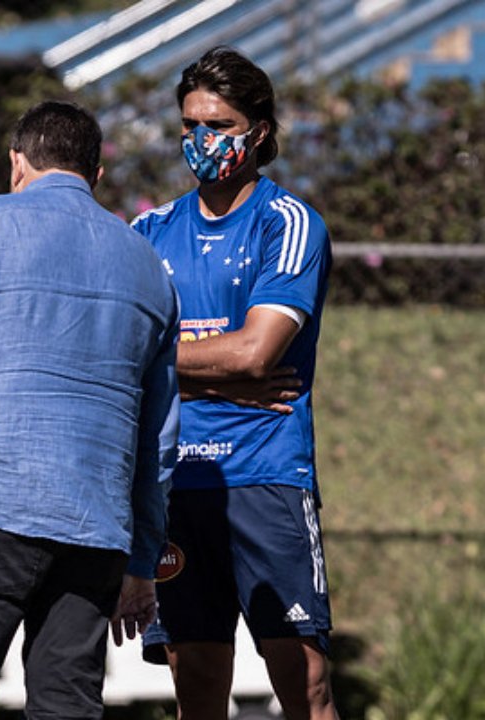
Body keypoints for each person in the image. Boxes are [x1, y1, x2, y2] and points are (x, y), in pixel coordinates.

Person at [0, 100, 180, 719]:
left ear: (16, 163)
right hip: (97, 525)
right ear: (96, 175)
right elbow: (160, 433)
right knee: (68, 703)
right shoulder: (148, 267)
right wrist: (140, 556)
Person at [132, 46, 338, 720]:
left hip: (264, 476)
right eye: (190, 126)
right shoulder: (148, 233)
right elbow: (120, 358)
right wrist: (214, 378)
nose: (202, 141)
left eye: (219, 126)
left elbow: (257, 353)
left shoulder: (289, 224)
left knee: (303, 685)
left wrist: (172, 362)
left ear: (260, 129)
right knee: (196, 691)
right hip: (173, 483)